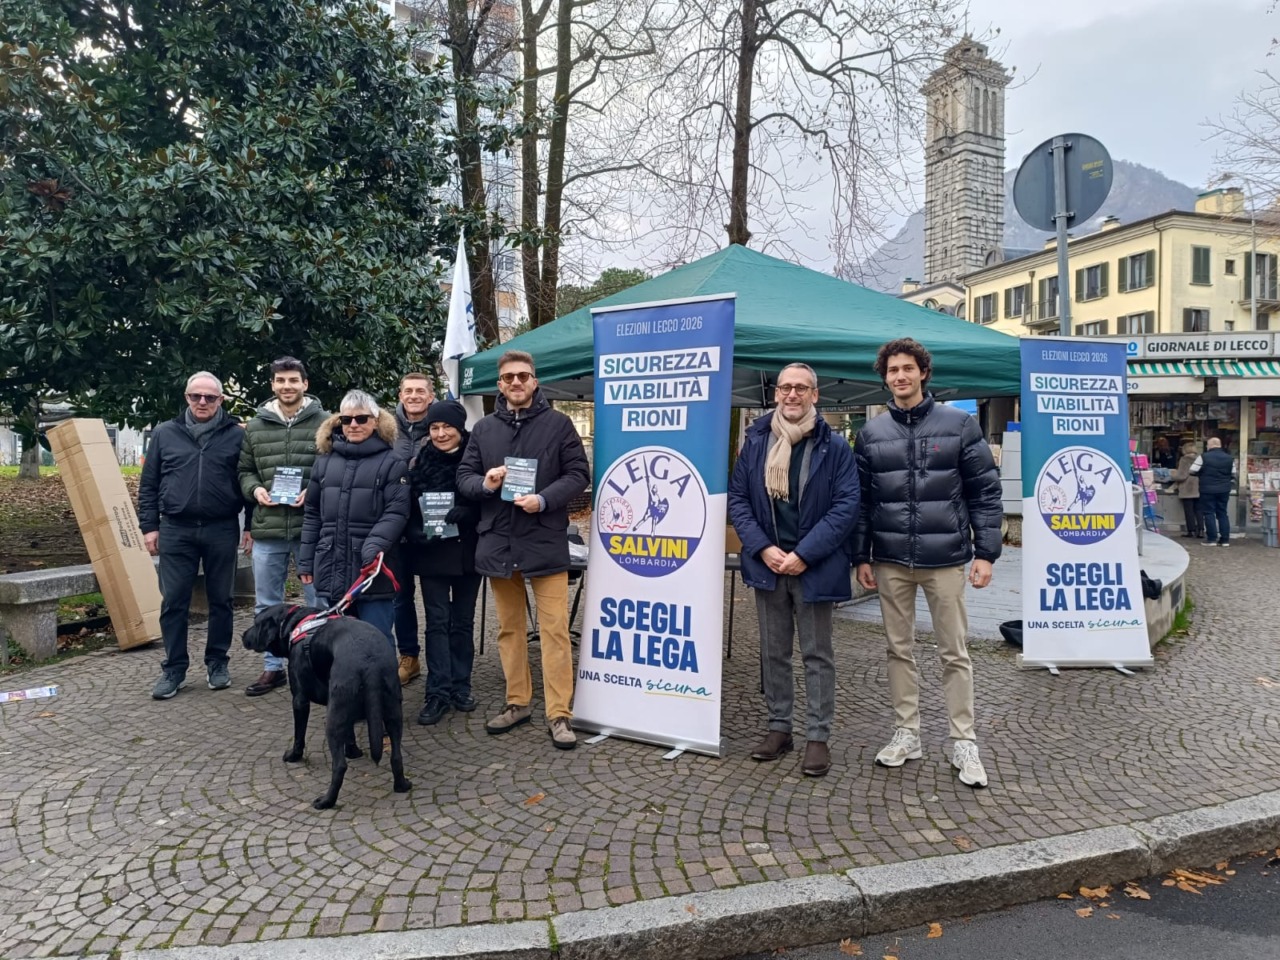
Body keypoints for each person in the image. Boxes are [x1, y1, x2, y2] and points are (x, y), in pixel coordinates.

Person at [851, 338, 1002, 789]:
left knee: (954, 652)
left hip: (947, 559)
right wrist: (862, 555)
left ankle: (963, 741)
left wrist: (986, 553)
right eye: (892, 370)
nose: (900, 376)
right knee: (898, 650)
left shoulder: (959, 424)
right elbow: (861, 502)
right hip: (891, 559)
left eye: (907, 368)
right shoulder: (871, 434)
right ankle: (907, 733)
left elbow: (985, 491)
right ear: (885, 378)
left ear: (923, 373)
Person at [728, 363, 860, 778]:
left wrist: (803, 554)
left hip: (813, 566)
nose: (792, 394)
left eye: (801, 388)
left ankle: (817, 736)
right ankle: (779, 728)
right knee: (773, 652)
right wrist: (763, 547)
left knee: (817, 654)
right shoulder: (756, 441)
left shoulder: (833, 446)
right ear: (776, 394)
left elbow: (845, 507)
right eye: (785, 387)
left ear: (814, 395)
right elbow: (738, 499)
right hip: (768, 564)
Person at [457, 350, 590, 750]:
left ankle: (559, 713)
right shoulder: (483, 430)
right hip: (498, 540)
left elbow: (578, 474)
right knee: (510, 630)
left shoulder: (559, 425)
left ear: (535, 382)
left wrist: (545, 500)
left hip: (543, 538)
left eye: (523, 376)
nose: (516, 383)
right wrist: (488, 484)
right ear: (500, 385)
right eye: (508, 377)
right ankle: (518, 702)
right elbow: (464, 478)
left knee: (554, 631)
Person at [138, 372, 251, 700]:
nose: (202, 402)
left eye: (210, 397)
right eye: (195, 396)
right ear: (186, 397)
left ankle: (217, 662)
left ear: (221, 400)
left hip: (221, 527)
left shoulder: (237, 436)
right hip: (176, 528)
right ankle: (174, 667)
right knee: (174, 601)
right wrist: (149, 527)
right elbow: (149, 484)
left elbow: (247, 481)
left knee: (222, 600)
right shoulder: (164, 433)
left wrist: (252, 527)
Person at [238, 356, 326, 696]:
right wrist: (255, 489)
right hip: (268, 528)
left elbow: (332, 466)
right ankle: (273, 668)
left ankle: (317, 664)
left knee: (316, 601)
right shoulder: (256, 426)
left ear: (305, 384)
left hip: (310, 528)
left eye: (293, 380)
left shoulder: (324, 422)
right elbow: (244, 470)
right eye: (280, 381)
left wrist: (312, 490)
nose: (287, 386)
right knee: (265, 603)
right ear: (272, 385)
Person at [299, 390, 409, 642]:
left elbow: (397, 511)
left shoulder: (393, 463)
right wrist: (306, 560)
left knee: (375, 639)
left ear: (375, 421)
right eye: (346, 420)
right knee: (337, 640)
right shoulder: (324, 462)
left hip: (373, 568)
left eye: (361, 418)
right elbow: (313, 512)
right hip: (332, 562)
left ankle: (381, 683)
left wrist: (373, 546)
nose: (354, 425)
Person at [404, 401, 482, 726]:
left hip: (467, 554)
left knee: (462, 622)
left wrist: (470, 513)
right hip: (432, 555)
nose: (440, 433)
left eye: (446, 427)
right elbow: (406, 509)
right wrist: (415, 533)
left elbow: (488, 501)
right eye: (434, 428)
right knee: (437, 622)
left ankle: (461, 686)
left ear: (459, 429)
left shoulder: (475, 461)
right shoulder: (418, 463)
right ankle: (437, 691)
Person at [392, 372, 436, 685]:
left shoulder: (442, 427)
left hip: (433, 525)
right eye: (408, 390)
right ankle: (409, 656)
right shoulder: (384, 428)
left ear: (431, 396)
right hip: (395, 526)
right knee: (399, 596)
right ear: (400, 395)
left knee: (435, 599)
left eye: (420, 390)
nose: (414, 395)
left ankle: (441, 663)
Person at [1190, 436, 1236, 547]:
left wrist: (1201, 474)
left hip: (1207, 489)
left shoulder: (1203, 457)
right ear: (1219, 445)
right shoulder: (1229, 458)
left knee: (1209, 512)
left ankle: (1212, 539)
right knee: (1222, 513)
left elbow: (1192, 470)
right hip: (1224, 489)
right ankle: (1225, 540)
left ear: (1209, 445)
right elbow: (1234, 474)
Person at [1170, 440, 1203, 540]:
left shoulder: (1184, 459)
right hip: (1199, 487)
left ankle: (1191, 530)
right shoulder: (1200, 459)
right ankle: (1201, 530)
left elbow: (1182, 475)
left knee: (1189, 511)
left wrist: (1173, 475)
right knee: (1199, 511)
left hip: (1188, 488)